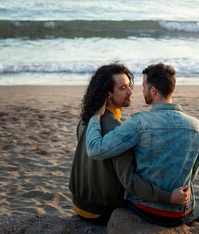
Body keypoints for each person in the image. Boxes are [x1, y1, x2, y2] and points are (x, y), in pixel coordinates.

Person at [69, 63, 190, 225]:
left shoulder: (86, 120)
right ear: (108, 94)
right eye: (123, 87)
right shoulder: (116, 129)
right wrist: (168, 197)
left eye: (130, 86)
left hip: (79, 203)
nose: (130, 91)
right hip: (101, 210)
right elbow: (130, 181)